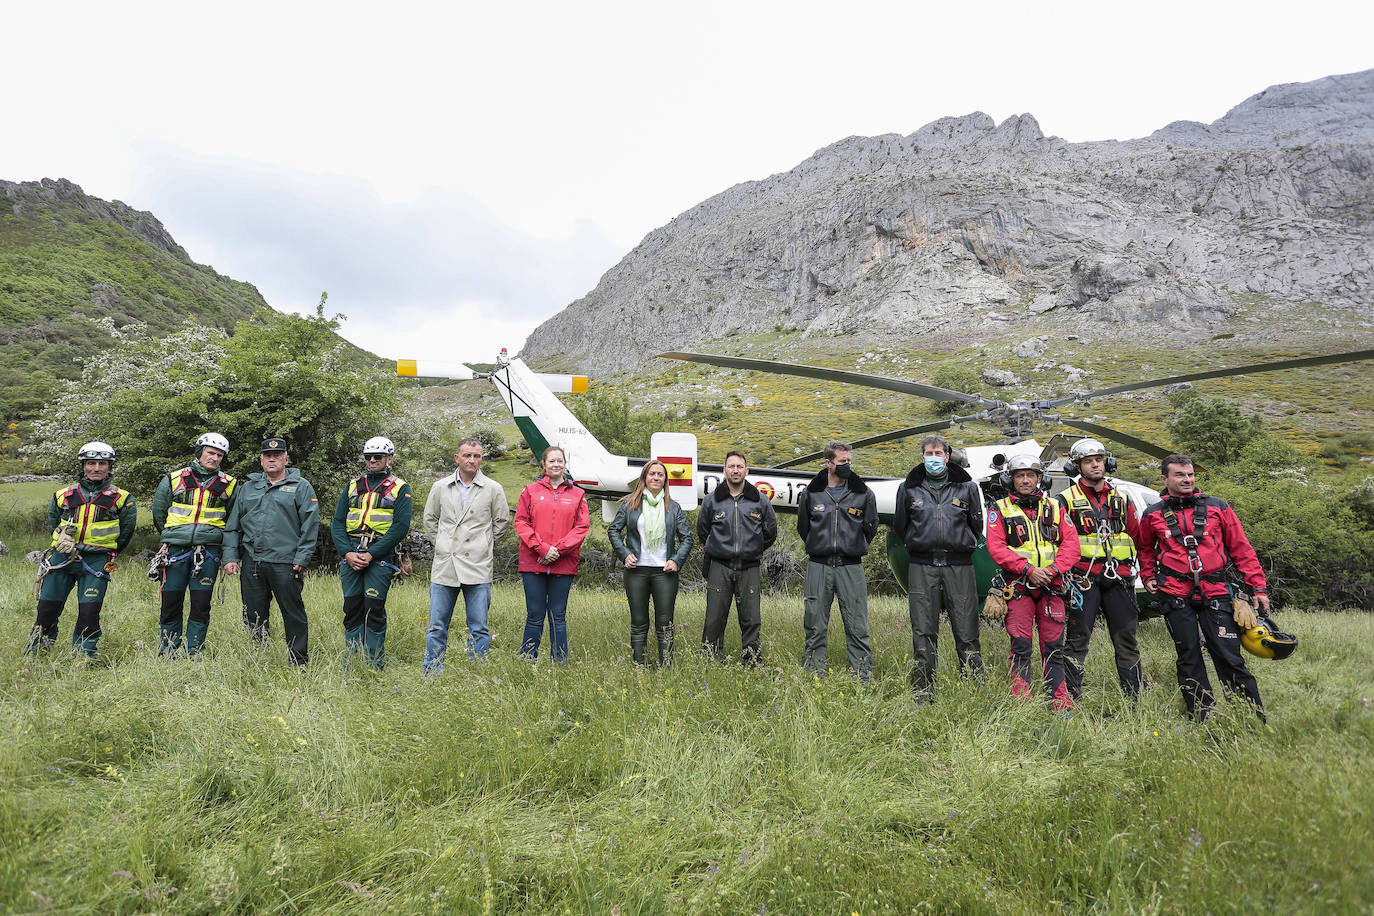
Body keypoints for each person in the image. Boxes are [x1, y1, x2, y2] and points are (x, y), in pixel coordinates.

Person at [1136, 454, 1270, 722]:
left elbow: (1241, 549)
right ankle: (1201, 715)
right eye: (1180, 475)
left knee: (1228, 656)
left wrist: (1258, 587)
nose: (1187, 479)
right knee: (1188, 656)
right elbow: (1144, 548)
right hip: (1175, 594)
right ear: (1165, 479)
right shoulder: (1152, 514)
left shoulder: (1218, 507)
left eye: (1190, 475)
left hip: (1216, 592)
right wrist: (1148, 574)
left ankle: (1250, 715)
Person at [893, 435, 984, 704]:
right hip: (922, 565)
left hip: (959, 565)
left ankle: (974, 690)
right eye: (929, 453)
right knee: (923, 630)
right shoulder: (908, 489)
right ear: (922, 457)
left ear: (947, 456)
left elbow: (976, 525)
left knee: (967, 631)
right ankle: (923, 693)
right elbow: (901, 526)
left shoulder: (967, 487)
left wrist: (959, 544)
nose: (934, 457)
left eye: (938, 453)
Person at [985, 455, 1080, 710]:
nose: (1025, 480)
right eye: (1019, 475)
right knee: (1021, 646)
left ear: (1041, 478)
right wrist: (1028, 570)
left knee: (1054, 648)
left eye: (1031, 475)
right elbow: (996, 548)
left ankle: (1060, 702)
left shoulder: (1055, 506)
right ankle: (1022, 702)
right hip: (1018, 588)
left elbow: (1071, 545)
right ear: (1010, 479)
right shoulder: (1000, 509)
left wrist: (1053, 570)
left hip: (1052, 586)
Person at [26, 441, 136, 658]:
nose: (96, 468)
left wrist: (109, 552)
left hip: (96, 561)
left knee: (89, 612)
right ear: (83, 465)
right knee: (46, 609)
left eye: (102, 463)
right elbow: (52, 522)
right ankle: (38, 651)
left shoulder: (122, 498)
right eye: (91, 463)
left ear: (109, 466)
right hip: (62, 558)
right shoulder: (63, 494)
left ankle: (84, 656)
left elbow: (126, 531)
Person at [1057, 437, 1144, 702]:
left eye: (1099, 459)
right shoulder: (1065, 500)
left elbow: (1139, 537)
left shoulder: (1122, 499)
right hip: (1082, 580)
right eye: (1088, 461)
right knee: (1077, 640)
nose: (1095, 465)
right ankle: (1071, 698)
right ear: (1077, 467)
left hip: (1120, 579)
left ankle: (1134, 699)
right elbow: (1057, 542)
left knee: (1126, 640)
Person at [222, 438, 319, 668]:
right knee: (253, 614)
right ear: (261, 460)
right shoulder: (248, 488)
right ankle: (259, 657)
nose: (272, 459)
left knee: (292, 613)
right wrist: (230, 557)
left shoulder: (301, 486)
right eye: (267, 455)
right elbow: (233, 526)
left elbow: (310, 525)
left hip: (286, 562)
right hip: (252, 561)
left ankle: (298, 661)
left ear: (286, 458)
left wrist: (302, 557)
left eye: (277, 455)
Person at [423, 437, 510, 673]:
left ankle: (477, 675)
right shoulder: (440, 487)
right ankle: (432, 672)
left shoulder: (493, 488)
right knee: (437, 626)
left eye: (477, 456)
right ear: (457, 458)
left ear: (481, 458)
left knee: (479, 627)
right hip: (446, 564)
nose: (472, 460)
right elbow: (430, 520)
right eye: (467, 455)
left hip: (478, 565)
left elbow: (502, 522)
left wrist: (484, 545)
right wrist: (443, 544)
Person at [150, 433, 238, 656]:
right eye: (210, 453)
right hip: (175, 551)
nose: (214, 458)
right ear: (200, 453)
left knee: (200, 605)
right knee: (171, 603)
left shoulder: (229, 484)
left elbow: (232, 521)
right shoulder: (173, 479)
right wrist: (172, 536)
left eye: (219, 455)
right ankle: (168, 651)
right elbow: (159, 513)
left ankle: (194, 651)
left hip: (208, 552)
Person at [796, 441, 877, 680]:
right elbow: (804, 527)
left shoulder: (863, 493)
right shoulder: (812, 493)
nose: (847, 465)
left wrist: (851, 546)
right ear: (828, 463)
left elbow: (870, 528)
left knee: (857, 625)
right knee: (814, 622)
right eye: (842, 462)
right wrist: (820, 546)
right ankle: (814, 674)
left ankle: (862, 676)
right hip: (818, 566)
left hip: (850, 567)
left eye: (849, 461)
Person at [330, 436, 412, 669]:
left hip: (380, 556)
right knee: (352, 608)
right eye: (369, 456)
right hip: (351, 554)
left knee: (373, 609)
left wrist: (372, 554)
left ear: (389, 458)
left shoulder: (400, 488)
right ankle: (352, 661)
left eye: (378, 456)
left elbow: (400, 527)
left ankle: (375, 663)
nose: (373, 460)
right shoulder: (353, 485)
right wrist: (346, 553)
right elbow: (337, 522)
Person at [608, 460, 693, 667]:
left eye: (660, 475)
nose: (656, 477)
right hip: (636, 571)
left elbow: (687, 538)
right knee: (638, 622)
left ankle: (666, 668)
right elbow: (613, 530)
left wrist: (676, 559)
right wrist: (625, 553)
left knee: (665, 623)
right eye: (652, 474)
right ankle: (639, 666)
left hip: (665, 572)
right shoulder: (630, 503)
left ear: (665, 480)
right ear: (644, 477)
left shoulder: (673, 507)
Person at [698, 451, 778, 666]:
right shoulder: (711, 501)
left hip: (749, 567)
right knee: (714, 618)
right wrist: (720, 549)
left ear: (746, 471)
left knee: (751, 619)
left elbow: (770, 532)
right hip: (719, 566)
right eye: (731, 466)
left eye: (739, 466)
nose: (735, 470)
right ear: (724, 470)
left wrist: (751, 549)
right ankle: (710, 662)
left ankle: (751, 662)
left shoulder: (760, 501)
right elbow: (703, 532)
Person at [513, 446, 590, 662]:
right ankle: (528, 661)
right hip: (533, 562)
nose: (556, 465)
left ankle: (559, 662)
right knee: (535, 615)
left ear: (565, 464)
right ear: (543, 464)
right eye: (552, 461)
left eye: (560, 461)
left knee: (558, 616)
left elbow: (581, 527)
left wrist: (558, 550)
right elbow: (521, 522)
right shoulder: (530, 491)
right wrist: (542, 549)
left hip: (563, 564)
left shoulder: (578, 494)